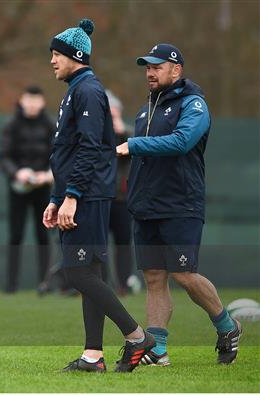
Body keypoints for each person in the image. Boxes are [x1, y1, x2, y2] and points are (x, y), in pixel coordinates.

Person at [116, 43, 242, 366]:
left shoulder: (193, 104)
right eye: (147, 67)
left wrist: (133, 143)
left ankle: (227, 327)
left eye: (156, 67)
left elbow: (183, 142)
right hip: (146, 206)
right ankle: (157, 349)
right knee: (154, 277)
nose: (150, 72)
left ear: (176, 69)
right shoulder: (146, 108)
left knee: (184, 274)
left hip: (180, 204)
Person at [42, 19, 154, 373]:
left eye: (56, 54)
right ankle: (93, 356)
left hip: (88, 196)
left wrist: (72, 195)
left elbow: (90, 148)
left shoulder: (88, 90)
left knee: (77, 273)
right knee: (88, 271)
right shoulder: (75, 89)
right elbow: (66, 151)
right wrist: (56, 197)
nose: (52, 61)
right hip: (78, 194)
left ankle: (137, 337)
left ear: (75, 56)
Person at [0, 85, 54, 294]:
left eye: (35, 99)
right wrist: (17, 173)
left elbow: (58, 155)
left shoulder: (50, 125)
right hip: (18, 189)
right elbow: (4, 156)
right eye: (28, 99)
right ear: (22, 101)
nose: (32, 104)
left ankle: (45, 283)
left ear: (42, 102)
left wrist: (47, 175)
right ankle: (11, 285)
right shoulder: (12, 125)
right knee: (16, 235)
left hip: (42, 188)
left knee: (43, 235)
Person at [103, 90, 135, 295]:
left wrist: (121, 132)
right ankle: (101, 283)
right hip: (101, 198)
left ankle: (123, 284)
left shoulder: (129, 133)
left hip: (122, 200)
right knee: (100, 244)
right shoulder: (97, 135)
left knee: (123, 244)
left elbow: (135, 147)